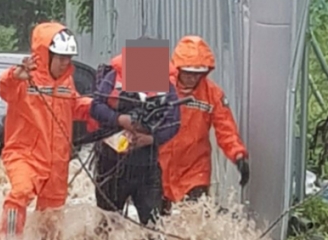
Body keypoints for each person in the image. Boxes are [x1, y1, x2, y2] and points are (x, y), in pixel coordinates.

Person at [0, 22, 98, 240]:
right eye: (60, 57)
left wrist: (95, 107)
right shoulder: (23, 79)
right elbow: (3, 88)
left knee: (52, 212)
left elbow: (74, 106)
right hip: (25, 153)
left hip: (57, 160)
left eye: (68, 58)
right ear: (46, 54)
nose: (65, 63)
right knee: (19, 193)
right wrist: (14, 75)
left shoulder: (66, 81)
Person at [159, 35, 250, 213]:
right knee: (155, 221)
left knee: (196, 218)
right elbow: (130, 107)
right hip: (159, 165)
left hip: (195, 168)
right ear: (177, 69)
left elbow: (226, 128)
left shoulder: (213, 94)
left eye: (197, 73)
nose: (192, 78)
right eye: (188, 73)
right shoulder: (159, 84)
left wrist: (238, 156)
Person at [90, 53, 181, 225]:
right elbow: (95, 107)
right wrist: (119, 120)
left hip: (146, 168)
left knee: (153, 229)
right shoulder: (112, 78)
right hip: (111, 165)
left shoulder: (166, 87)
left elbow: (174, 122)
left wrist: (152, 138)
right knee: (107, 226)